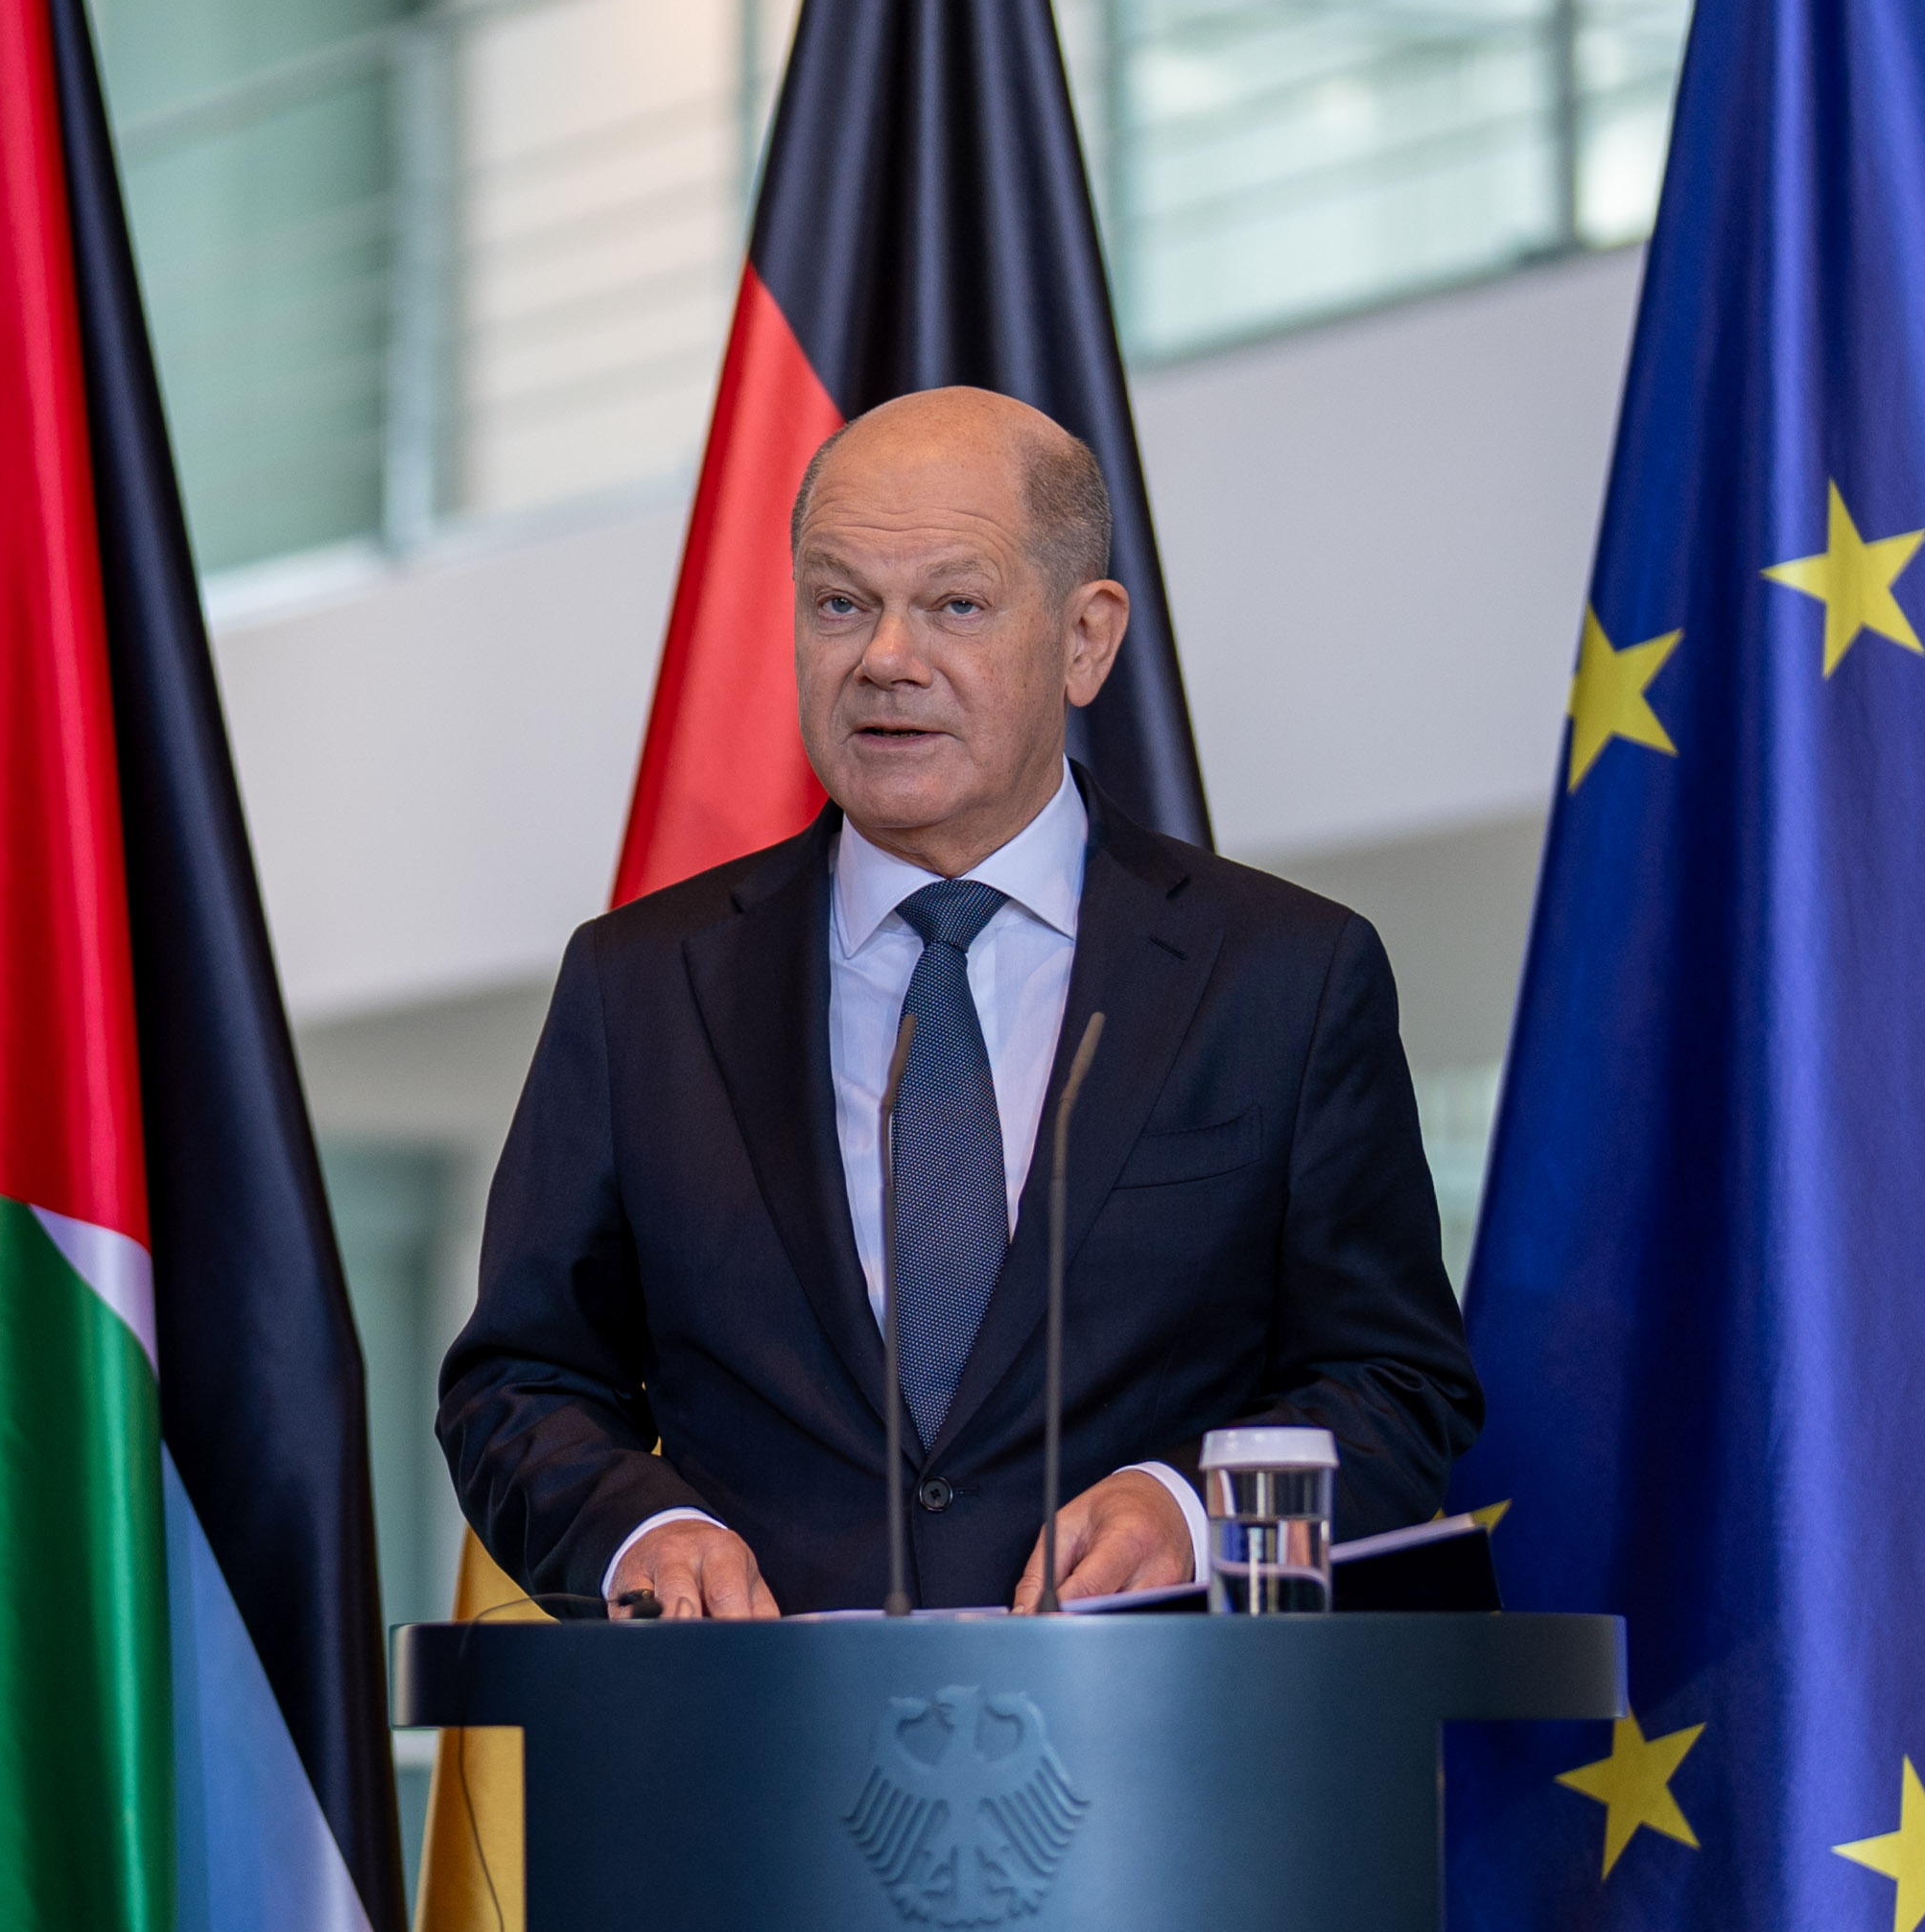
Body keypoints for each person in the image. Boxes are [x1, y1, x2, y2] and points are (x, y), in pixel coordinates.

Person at [440, 387, 1477, 1621]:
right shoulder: (641, 986)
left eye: (954, 605)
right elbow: (517, 1384)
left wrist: (1186, 1507)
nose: (884, 658)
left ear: (1084, 639)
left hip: (1149, 1717)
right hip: (756, 1717)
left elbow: (1393, 1382)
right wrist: (642, 1531)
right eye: (839, 603)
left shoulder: (1282, 976)